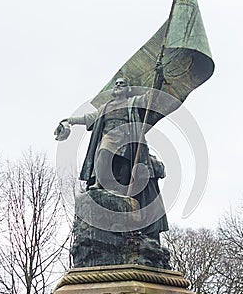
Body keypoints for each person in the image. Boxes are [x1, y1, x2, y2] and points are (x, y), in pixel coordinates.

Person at [57, 75, 169, 238]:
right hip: (109, 136)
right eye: (116, 84)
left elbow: (149, 98)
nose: (118, 86)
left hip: (127, 137)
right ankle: (99, 183)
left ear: (127, 89)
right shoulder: (105, 107)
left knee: (123, 168)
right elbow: (89, 118)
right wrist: (70, 120)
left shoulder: (133, 101)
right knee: (103, 153)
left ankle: (117, 189)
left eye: (122, 84)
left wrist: (158, 79)